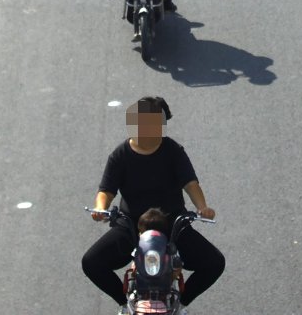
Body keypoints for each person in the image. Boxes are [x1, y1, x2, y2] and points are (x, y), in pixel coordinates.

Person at [82, 96, 224, 315]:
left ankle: (181, 304)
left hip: (173, 226)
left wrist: (202, 207)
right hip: (132, 226)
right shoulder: (120, 155)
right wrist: (100, 209)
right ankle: (124, 303)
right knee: (91, 262)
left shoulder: (173, 150)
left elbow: (191, 183)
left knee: (215, 262)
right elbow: (106, 191)